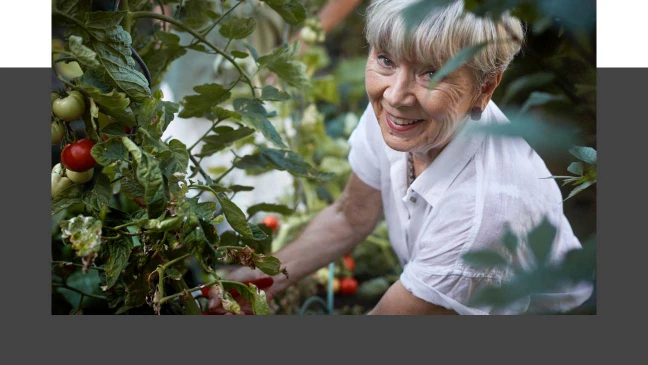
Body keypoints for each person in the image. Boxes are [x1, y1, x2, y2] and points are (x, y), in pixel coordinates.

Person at [208, 0, 594, 315]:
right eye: (387, 60)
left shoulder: (482, 215)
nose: (395, 96)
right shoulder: (405, 119)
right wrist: (254, 281)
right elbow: (349, 215)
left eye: (432, 73)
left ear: (484, 88)